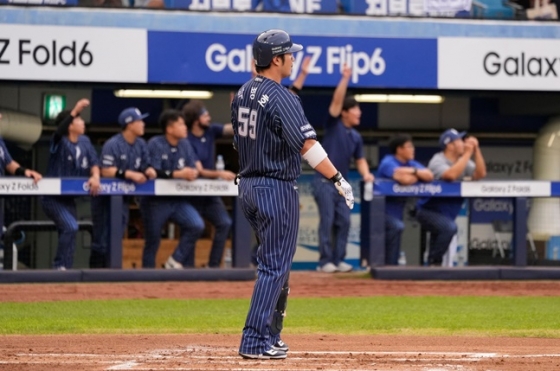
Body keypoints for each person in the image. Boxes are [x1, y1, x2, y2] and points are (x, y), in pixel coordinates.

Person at [231, 29, 354, 360]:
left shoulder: (242, 92)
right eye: (289, 55)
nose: (293, 59)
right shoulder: (282, 96)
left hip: (248, 187)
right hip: (275, 187)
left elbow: (239, 143)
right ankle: (255, 340)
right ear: (276, 59)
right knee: (274, 266)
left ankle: (270, 335)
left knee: (278, 265)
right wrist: (337, 177)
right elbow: (307, 146)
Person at [313, 65, 374, 274]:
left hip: (342, 184)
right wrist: (345, 79)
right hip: (323, 181)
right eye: (356, 109)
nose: (359, 113)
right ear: (345, 113)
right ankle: (324, 261)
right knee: (328, 220)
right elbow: (336, 102)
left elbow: (360, 159)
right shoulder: (333, 125)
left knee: (345, 221)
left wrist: (366, 175)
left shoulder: (356, 136)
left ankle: (339, 259)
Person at [89, 107, 157, 268]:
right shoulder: (113, 144)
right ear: (129, 124)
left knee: (116, 235)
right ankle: (95, 276)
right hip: (105, 198)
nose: (143, 124)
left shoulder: (141, 144)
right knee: (102, 239)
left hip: (123, 199)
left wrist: (149, 170)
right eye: (139, 121)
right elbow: (106, 169)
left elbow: (146, 164)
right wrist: (129, 174)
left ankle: (111, 274)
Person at [141, 109, 205, 269]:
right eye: (181, 124)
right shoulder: (156, 143)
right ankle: (146, 277)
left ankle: (175, 260)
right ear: (169, 129)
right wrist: (179, 173)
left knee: (196, 225)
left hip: (178, 199)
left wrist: (192, 173)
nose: (185, 127)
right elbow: (153, 171)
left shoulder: (185, 144)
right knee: (153, 239)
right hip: (156, 201)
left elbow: (192, 167)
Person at [41, 99, 101, 270]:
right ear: (69, 125)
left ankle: (66, 268)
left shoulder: (85, 141)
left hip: (69, 199)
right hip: (52, 198)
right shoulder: (58, 140)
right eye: (78, 120)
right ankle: (58, 266)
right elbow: (59, 132)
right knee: (71, 227)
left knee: (69, 232)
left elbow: (94, 162)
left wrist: (95, 176)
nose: (83, 122)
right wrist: (74, 110)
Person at [416, 129, 487, 266]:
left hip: (447, 214)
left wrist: (476, 150)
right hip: (428, 210)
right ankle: (434, 262)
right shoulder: (438, 159)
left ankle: (432, 266)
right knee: (449, 228)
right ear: (450, 145)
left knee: (445, 234)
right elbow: (450, 176)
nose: (463, 143)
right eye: (460, 140)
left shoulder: (462, 161)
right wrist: (467, 154)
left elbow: (480, 174)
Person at [182, 100, 235, 268]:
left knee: (224, 223)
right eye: (205, 115)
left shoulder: (211, 131)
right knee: (193, 227)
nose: (209, 118)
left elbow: (234, 129)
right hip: (192, 192)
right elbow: (199, 170)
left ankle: (213, 266)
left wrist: (238, 112)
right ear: (196, 119)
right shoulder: (187, 139)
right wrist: (220, 173)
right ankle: (188, 268)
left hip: (210, 193)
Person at [377, 134, 434, 265]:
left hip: (396, 212)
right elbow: (404, 179)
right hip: (379, 211)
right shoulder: (388, 162)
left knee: (397, 229)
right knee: (396, 227)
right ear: (399, 149)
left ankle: (391, 266)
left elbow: (429, 175)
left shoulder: (410, 163)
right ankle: (389, 268)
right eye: (409, 146)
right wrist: (416, 176)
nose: (413, 149)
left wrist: (412, 171)